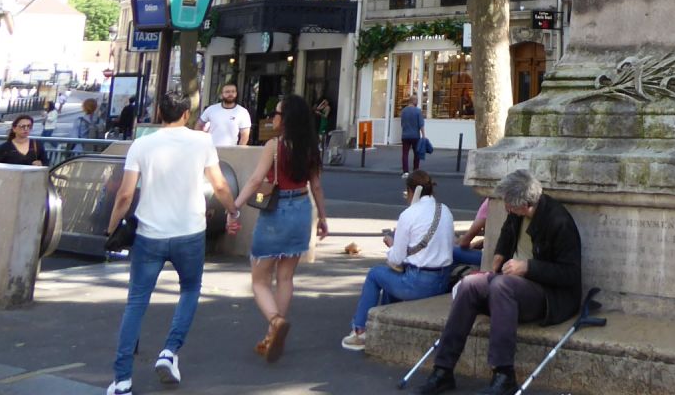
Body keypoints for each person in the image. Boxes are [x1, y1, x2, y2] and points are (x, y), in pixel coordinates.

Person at [104, 91, 242, 395]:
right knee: (190, 290)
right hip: (190, 231)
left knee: (136, 302)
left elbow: (125, 195)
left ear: (159, 113)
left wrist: (111, 229)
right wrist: (233, 211)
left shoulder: (142, 144)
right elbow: (219, 185)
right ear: (186, 114)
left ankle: (122, 380)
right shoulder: (202, 142)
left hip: (149, 234)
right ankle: (169, 351)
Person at [417, 169, 582, 395]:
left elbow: (570, 274)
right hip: (512, 284)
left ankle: (504, 374)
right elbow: (507, 233)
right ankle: (443, 369)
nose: (506, 208)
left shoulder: (558, 221)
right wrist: (498, 257)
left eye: (509, 205)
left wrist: (528, 267)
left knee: (501, 286)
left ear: (525, 204)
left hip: (548, 296)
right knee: (469, 284)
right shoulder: (516, 213)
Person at [231, 93, 328, 362]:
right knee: (285, 278)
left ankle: (275, 321)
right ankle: (273, 336)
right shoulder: (310, 148)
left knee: (259, 280)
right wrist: (322, 218)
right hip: (301, 209)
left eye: (276, 113)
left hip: (277, 211)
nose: (272, 117)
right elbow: (316, 186)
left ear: (286, 120)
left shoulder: (274, 146)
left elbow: (255, 180)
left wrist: (234, 207)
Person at [341, 169, 457, 351]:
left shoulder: (409, 214)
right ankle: (384, 324)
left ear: (411, 191)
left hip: (419, 283)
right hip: (442, 280)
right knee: (390, 278)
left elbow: (396, 258)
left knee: (375, 274)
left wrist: (391, 244)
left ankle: (359, 330)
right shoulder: (445, 210)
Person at [454, 198, 490, 268]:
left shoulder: (488, 203)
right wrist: (476, 244)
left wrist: (460, 241)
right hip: (508, 258)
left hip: (493, 260)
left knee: (451, 252)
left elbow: (464, 243)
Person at [399, 95, 425, 176]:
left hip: (405, 135)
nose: (417, 102)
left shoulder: (403, 111)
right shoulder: (418, 111)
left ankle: (405, 171)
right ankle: (415, 170)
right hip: (415, 136)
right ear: (414, 101)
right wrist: (423, 135)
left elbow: (402, 124)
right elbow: (421, 125)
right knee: (416, 154)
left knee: (405, 154)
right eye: (417, 100)